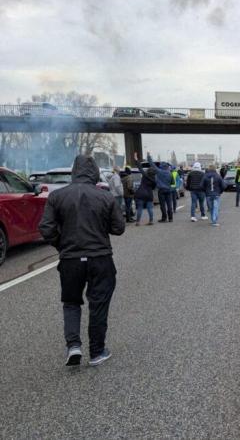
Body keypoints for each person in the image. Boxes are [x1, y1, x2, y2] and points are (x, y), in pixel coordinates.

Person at [39, 155, 125, 367]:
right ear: (94, 172)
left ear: (74, 172)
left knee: (71, 302)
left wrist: (62, 245)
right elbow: (119, 228)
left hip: (70, 259)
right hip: (100, 257)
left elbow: (46, 228)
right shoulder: (104, 196)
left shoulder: (57, 196)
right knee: (98, 303)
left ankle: (74, 346)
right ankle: (97, 352)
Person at [148, 153, 174, 222]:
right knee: (169, 204)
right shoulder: (170, 173)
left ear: (161, 166)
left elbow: (152, 164)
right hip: (168, 190)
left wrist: (148, 156)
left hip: (161, 190)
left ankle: (164, 218)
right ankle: (170, 218)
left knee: (162, 205)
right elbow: (172, 182)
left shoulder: (159, 171)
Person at [134, 153, 156, 226]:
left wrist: (136, 159)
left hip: (141, 193)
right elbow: (154, 187)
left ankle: (138, 222)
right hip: (149, 194)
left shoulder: (145, 175)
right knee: (149, 208)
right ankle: (151, 220)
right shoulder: (154, 180)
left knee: (140, 208)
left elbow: (140, 167)